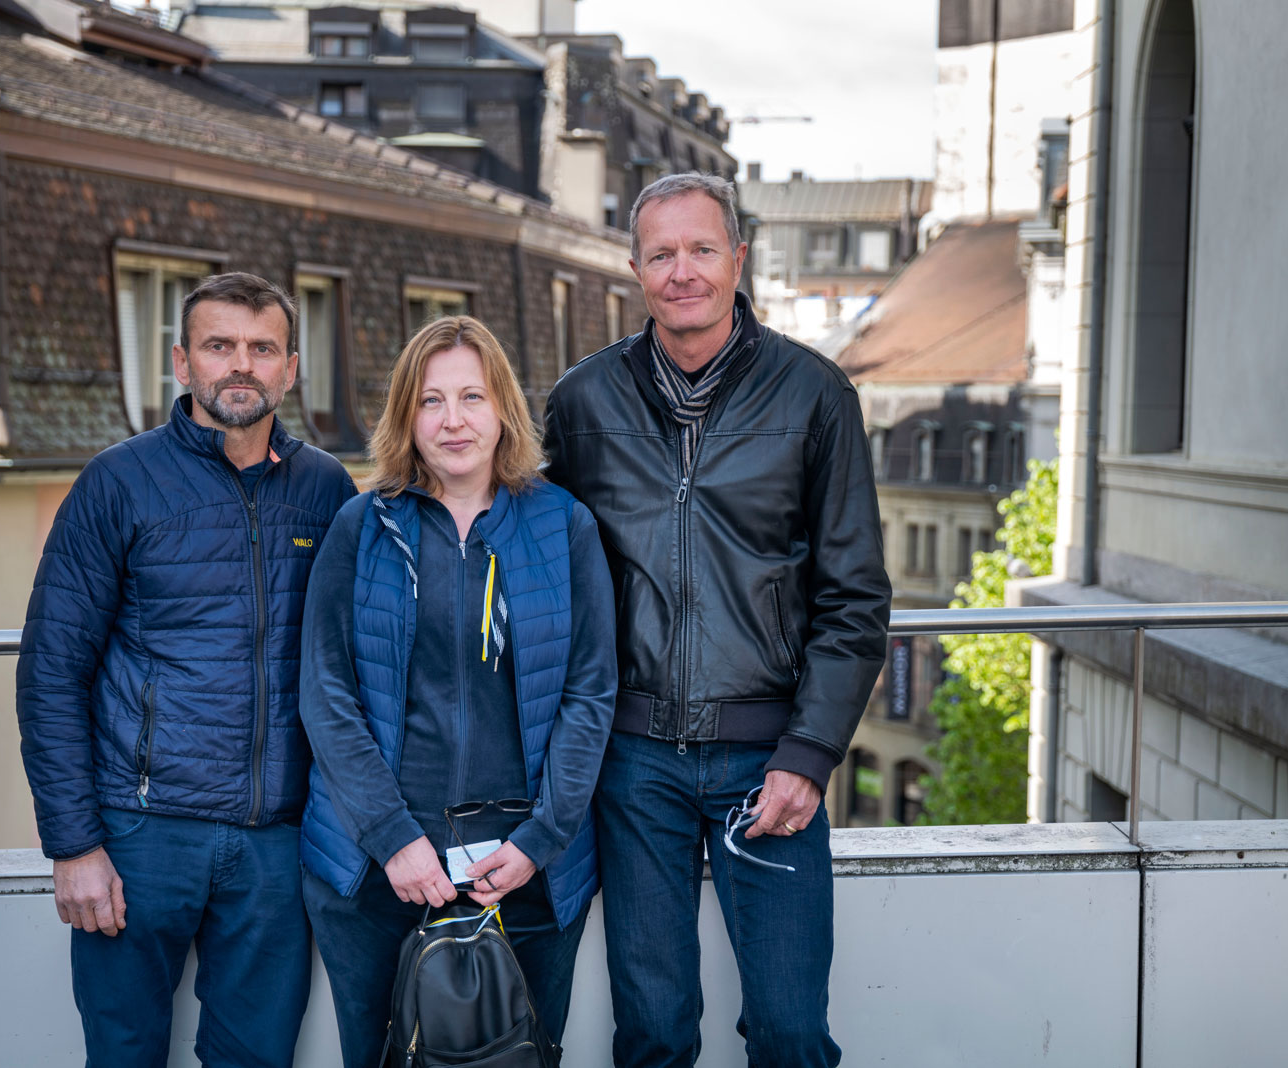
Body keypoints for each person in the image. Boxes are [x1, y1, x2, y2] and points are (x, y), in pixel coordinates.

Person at [544, 173, 892, 1067]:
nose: (683, 271)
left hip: (768, 758)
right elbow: (537, 560)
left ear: (738, 258)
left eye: (702, 249)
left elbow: (855, 596)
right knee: (653, 1034)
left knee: (789, 1031)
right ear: (635, 270)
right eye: (662, 254)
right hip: (633, 763)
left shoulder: (815, 395)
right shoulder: (582, 402)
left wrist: (809, 755)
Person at [16, 272, 357, 1067]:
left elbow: (352, 662)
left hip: (277, 846)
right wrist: (74, 845)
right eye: (219, 346)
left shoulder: (326, 490)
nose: (241, 365)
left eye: (262, 349)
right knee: (125, 1054)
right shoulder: (119, 482)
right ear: (182, 361)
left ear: (290, 369)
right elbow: (52, 671)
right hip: (141, 836)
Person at [298, 315, 617, 1068]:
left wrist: (538, 842)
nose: (453, 420)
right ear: (406, 416)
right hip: (379, 873)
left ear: (502, 407)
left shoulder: (564, 525)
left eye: (472, 397)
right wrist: (393, 840)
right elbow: (326, 693)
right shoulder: (362, 526)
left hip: (523, 874)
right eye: (431, 400)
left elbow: (590, 693)